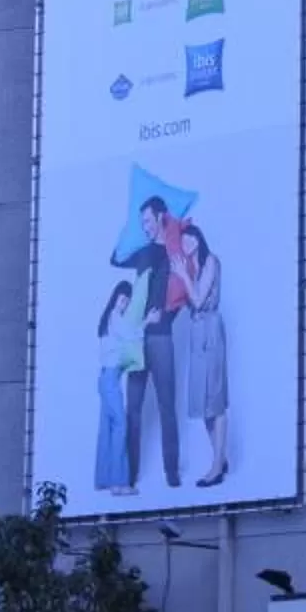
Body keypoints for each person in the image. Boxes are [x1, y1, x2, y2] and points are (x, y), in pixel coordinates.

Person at [110, 196, 187, 489]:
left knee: (167, 406)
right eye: (140, 221)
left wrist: (164, 316)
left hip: (161, 337)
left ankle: (172, 473)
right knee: (133, 407)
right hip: (136, 339)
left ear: (160, 218)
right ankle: (129, 474)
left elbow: (181, 292)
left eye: (147, 220)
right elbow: (115, 258)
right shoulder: (142, 253)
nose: (143, 226)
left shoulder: (173, 252)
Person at [177, 225, 229, 488]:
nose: (185, 243)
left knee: (215, 398)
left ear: (198, 239)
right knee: (203, 402)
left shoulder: (210, 261)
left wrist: (183, 276)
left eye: (189, 238)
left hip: (209, 330)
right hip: (197, 332)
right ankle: (219, 456)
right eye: (182, 240)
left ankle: (217, 465)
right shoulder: (194, 267)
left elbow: (198, 301)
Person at [93, 280, 140, 495]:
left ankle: (103, 479)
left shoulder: (106, 319)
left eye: (126, 302)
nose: (124, 305)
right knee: (120, 425)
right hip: (110, 379)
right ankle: (119, 483)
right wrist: (147, 322)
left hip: (104, 378)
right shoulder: (115, 317)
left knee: (107, 428)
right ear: (115, 297)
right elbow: (131, 336)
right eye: (122, 300)